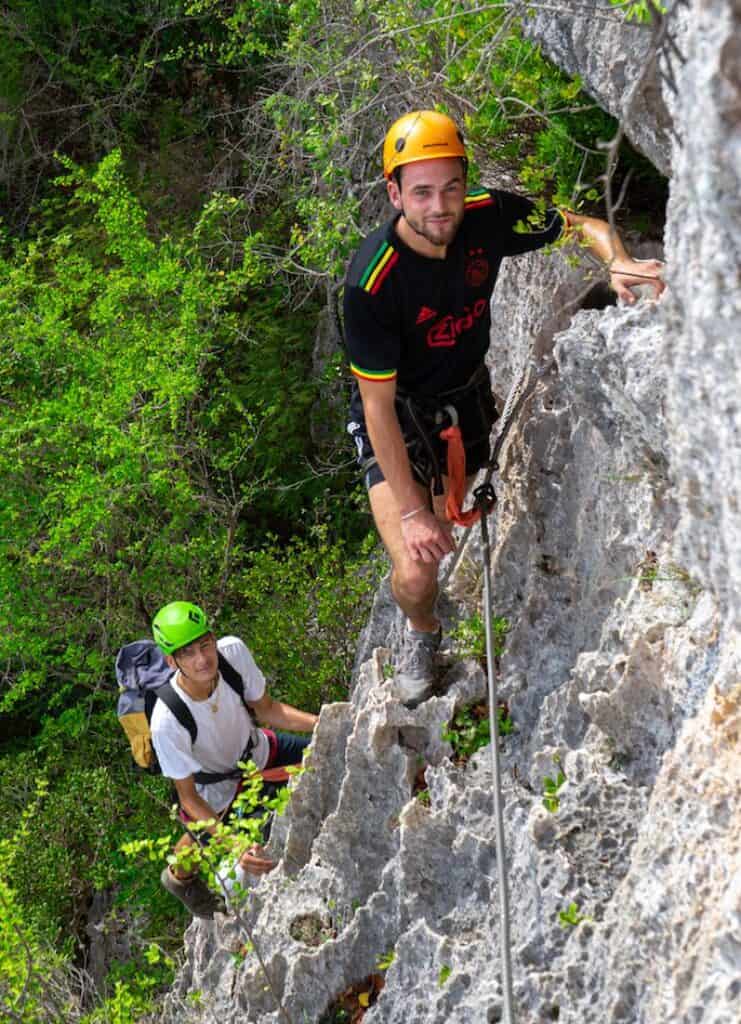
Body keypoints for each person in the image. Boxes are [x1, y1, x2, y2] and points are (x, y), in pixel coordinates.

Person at [343, 110, 665, 708]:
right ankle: (420, 629)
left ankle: (429, 560)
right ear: (395, 193)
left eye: (450, 188)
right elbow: (377, 406)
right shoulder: (374, 282)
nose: (439, 206)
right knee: (416, 569)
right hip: (397, 418)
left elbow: (580, 225)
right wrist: (411, 512)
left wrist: (615, 258)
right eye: (421, 192)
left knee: (444, 526)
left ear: (466, 184)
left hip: (462, 403)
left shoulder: (489, 219)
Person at [150, 601, 319, 917]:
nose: (202, 659)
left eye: (205, 644)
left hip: (260, 752)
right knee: (206, 843)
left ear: (213, 638)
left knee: (329, 751)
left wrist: (324, 722)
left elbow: (267, 709)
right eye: (188, 653)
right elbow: (189, 799)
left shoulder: (232, 655)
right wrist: (234, 845)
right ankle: (179, 879)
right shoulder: (166, 720)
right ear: (171, 661)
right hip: (215, 793)